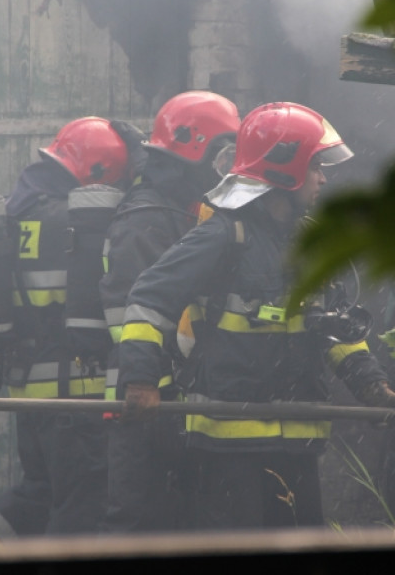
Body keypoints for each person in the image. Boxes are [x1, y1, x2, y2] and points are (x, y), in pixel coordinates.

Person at [116, 102, 395, 530]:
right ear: (284, 171)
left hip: (298, 442)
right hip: (228, 448)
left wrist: (372, 384)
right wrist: (140, 380)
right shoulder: (223, 236)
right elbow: (149, 297)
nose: (323, 178)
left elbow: (336, 328)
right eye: (315, 168)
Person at [0, 116, 136, 542]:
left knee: (38, 494)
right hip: (77, 391)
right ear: (103, 174)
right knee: (83, 506)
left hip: (29, 392)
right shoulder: (82, 225)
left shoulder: (11, 216)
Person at [99, 90, 241, 534]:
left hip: (171, 404)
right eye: (223, 156)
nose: (228, 170)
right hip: (144, 406)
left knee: (178, 524)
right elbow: (137, 315)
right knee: (137, 525)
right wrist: (152, 382)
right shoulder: (147, 220)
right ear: (198, 152)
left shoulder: (175, 208)